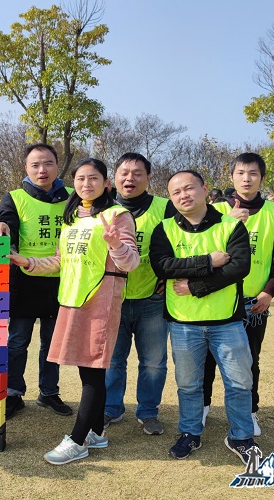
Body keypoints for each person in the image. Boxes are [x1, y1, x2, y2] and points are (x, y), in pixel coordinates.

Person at [0, 157, 139, 466]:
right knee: (87, 370)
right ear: (73, 184)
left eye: (93, 178)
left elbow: (131, 262)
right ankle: (98, 432)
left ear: (106, 183)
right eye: (80, 179)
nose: (85, 184)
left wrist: (116, 244)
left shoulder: (118, 216)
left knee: (92, 372)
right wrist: (27, 262)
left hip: (100, 302)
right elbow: (59, 261)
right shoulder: (72, 218)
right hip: (72, 300)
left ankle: (77, 440)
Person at [149, 169, 259, 464]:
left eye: (189, 188)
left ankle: (241, 436)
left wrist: (197, 285)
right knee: (188, 384)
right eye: (176, 192)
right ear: (171, 198)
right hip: (183, 323)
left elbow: (238, 267)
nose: (184, 195)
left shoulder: (230, 225)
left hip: (227, 321)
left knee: (239, 383)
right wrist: (209, 261)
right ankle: (189, 433)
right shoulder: (164, 229)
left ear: (204, 189)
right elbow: (163, 267)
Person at [204, 153, 274, 437]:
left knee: (249, 358)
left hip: (254, 302)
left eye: (253, 173)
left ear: (261, 178)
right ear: (231, 177)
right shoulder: (214, 209)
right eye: (241, 172)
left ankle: (250, 411)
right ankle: (202, 407)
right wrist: (226, 221)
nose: (246, 178)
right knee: (207, 358)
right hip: (214, 298)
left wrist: (269, 291)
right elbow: (201, 249)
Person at [0, 143, 73, 419]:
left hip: (61, 282)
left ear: (57, 165)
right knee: (17, 342)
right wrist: (2, 234)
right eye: (36, 165)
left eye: (48, 163)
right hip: (23, 280)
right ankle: (14, 392)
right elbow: (7, 228)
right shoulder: (13, 197)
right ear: (26, 168)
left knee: (52, 343)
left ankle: (49, 392)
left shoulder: (73, 197)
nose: (42, 170)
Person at [104, 152, 175, 436]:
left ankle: (148, 412)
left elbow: (181, 245)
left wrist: (168, 279)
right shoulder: (104, 209)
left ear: (149, 177)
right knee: (111, 360)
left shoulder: (165, 208)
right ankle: (110, 408)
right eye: (124, 172)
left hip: (152, 300)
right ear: (115, 177)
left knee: (154, 362)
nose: (129, 178)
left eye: (137, 173)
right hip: (112, 300)